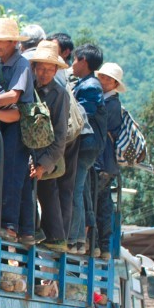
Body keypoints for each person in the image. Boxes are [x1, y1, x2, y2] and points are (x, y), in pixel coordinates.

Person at [0, 18, 35, 244]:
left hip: (18, 126)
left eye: (2, 41)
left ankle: (9, 225)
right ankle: (26, 229)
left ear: (13, 43)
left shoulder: (21, 64)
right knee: (19, 178)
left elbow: (14, 96)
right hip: (4, 123)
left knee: (12, 175)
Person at [30, 41, 70, 252]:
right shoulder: (30, 87)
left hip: (47, 155)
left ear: (55, 70)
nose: (44, 73)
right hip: (30, 152)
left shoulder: (60, 94)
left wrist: (44, 164)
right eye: (40, 68)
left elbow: (61, 135)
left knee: (48, 192)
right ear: (34, 68)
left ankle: (55, 238)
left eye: (49, 69)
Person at [67, 44, 106, 256]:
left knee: (75, 189)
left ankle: (74, 238)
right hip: (88, 146)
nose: (72, 64)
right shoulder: (88, 84)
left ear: (83, 61)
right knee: (79, 190)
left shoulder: (90, 86)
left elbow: (81, 115)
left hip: (85, 145)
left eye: (75, 60)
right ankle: (79, 239)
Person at [93, 62, 127, 259]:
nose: (103, 81)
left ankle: (98, 244)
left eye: (107, 79)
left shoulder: (110, 105)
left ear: (115, 84)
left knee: (96, 203)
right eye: (102, 77)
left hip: (102, 161)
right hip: (108, 163)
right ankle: (103, 246)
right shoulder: (111, 102)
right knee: (103, 203)